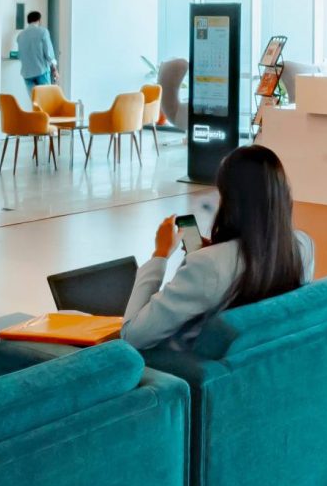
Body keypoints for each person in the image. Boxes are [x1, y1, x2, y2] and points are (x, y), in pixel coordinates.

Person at [123, 145, 314, 351]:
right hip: (262, 356)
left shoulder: (208, 266)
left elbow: (133, 336)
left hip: (188, 366)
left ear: (231, 201)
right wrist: (217, 251)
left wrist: (159, 255)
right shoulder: (302, 246)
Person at [16, 11, 58, 94]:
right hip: (41, 71)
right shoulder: (43, 32)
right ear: (39, 20)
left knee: (34, 99)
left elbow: (20, 55)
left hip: (27, 73)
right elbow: (49, 53)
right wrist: (54, 69)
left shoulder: (20, 35)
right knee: (46, 99)